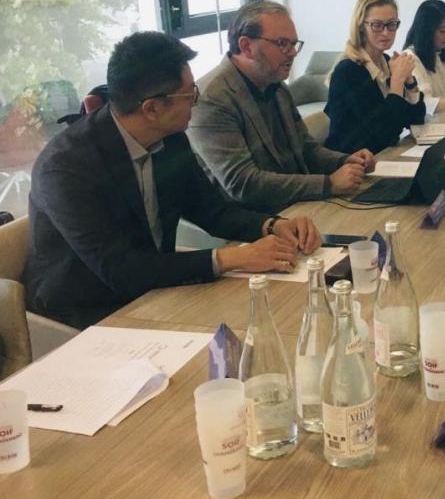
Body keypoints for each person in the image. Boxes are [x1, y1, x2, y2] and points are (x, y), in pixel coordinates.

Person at [24, 32, 322, 329]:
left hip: (154, 287)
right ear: (152, 109)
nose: (196, 102)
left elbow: (212, 210)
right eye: (190, 95)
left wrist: (271, 225)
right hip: (85, 310)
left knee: (274, 317)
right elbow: (120, 270)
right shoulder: (66, 168)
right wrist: (232, 258)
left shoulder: (170, 137)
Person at [189, 0, 375, 212]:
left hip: (298, 206)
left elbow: (305, 149)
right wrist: (329, 183)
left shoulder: (277, 86)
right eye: (281, 43)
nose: (293, 52)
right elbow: (243, 183)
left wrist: (345, 161)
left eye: (294, 44)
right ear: (246, 46)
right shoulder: (210, 99)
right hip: (255, 219)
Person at [324, 0, 426, 154]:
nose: (386, 32)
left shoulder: (386, 61)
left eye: (392, 24)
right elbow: (384, 133)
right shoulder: (348, 71)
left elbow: (416, 120)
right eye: (377, 25)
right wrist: (397, 82)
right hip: (353, 161)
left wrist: (409, 82)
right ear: (361, 27)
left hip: (384, 155)